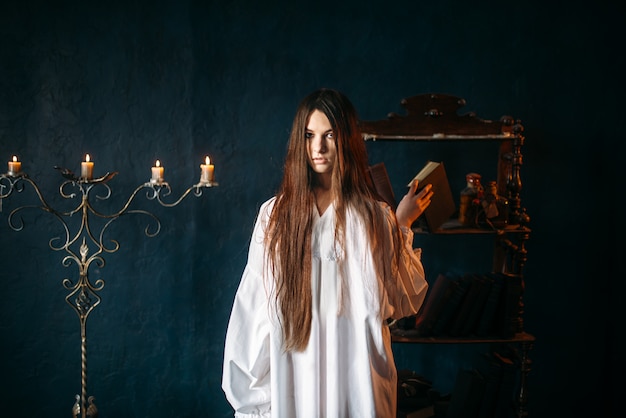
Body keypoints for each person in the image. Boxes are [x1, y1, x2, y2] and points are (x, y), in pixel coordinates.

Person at [222, 88, 433, 417]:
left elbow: (399, 298)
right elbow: (253, 309)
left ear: (346, 140)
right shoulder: (276, 216)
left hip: (356, 380)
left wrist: (400, 223)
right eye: (309, 135)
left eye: (329, 135)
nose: (318, 147)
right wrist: (252, 398)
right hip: (292, 371)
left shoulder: (373, 217)